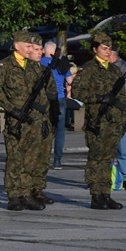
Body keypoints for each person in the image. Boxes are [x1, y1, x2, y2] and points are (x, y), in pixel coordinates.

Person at [0, 31, 57, 211]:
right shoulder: (5, 66)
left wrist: (46, 118)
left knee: (31, 158)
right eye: (27, 46)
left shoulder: (36, 67)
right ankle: (13, 196)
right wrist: (12, 110)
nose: (30, 49)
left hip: (35, 121)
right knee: (15, 158)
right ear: (17, 45)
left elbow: (46, 95)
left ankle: (26, 193)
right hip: (16, 120)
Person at [71, 32, 126, 209]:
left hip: (114, 121)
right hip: (98, 121)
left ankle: (106, 193)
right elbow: (76, 92)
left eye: (109, 48)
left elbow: (122, 97)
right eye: (104, 48)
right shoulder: (88, 69)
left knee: (108, 158)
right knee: (96, 158)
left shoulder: (115, 70)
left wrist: (122, 117)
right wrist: (98, 98)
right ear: (95, 49)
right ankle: (96, 195)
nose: (108, 51)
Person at [40, 40, 73, 170]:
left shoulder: (39, 62)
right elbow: (70, 80)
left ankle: (43, 157)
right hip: (59, 99)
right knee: (59, 130)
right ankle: (57, 160)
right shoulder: (61, 63)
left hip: (45, 99)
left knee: (44, 127)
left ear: (44, 50)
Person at [109, 43, 126, 191]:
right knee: (104, 146)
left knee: (122, 147)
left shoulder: (125, 68)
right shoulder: (103, 66)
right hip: (105, 114)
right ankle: (103, 177)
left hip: (120, 112)